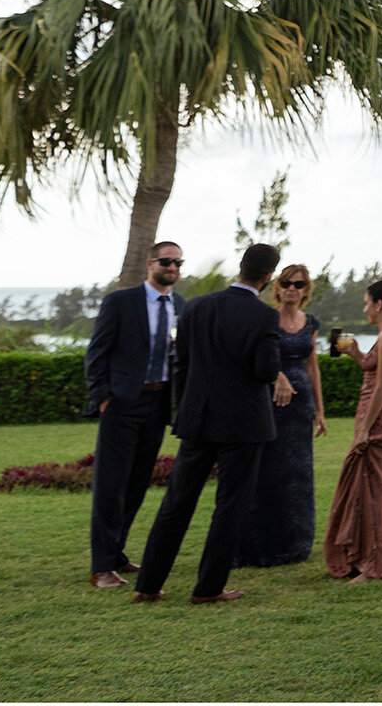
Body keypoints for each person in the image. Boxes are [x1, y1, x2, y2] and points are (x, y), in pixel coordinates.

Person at [131, 241, 288, 605]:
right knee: (230, 506)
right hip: (244, 424)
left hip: (197, 419)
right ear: (268, 277)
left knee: (176, 502)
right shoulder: (264, 317)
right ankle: (208, 589)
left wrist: (185, 409)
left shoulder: (198, 307)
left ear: (241, 268)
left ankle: (148, 584)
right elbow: (266, 370)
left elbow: (180, 365)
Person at [82, 239, 188, 589]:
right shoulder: (120, 302)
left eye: (177, 263)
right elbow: (97, 353)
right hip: (122, 404)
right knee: (111, 486)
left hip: (158, 406)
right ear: (150, 263)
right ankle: (101, 568)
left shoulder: (182, 307)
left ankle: (116, 555)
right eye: (165, 262)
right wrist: (103, 398)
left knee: (138, 484)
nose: (171, 268)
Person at [324, 278, 382, 581]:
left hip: (381, 420)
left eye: (366, 302)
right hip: (381, 417)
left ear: (380, 304)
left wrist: (364, 429)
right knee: (364, 491)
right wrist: (357, 354)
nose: (364, 309)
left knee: (376, 497)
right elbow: (373, 370)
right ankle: (359, 559)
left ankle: (374, 565)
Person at [236, 263, 324, 568]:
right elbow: (251, 358)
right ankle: (258, 545)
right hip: (268, 404)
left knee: (297, 474)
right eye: (286, 282)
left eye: (298, 284)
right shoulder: (266, 318)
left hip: (300, 410)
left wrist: (319, 411)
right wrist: (276, 376)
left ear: (305, 290)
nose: (292, 288)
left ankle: (294, 544)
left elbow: (312, 366)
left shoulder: (310, 323)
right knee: (265, 473)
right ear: (277, 286)